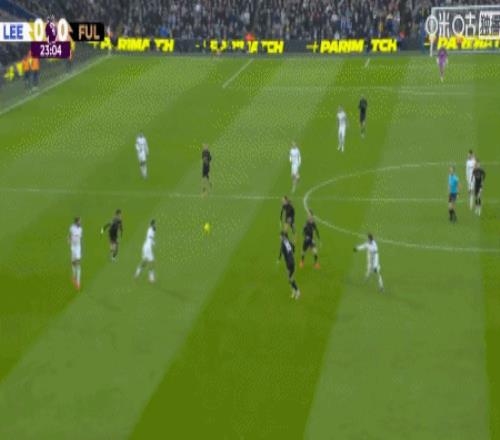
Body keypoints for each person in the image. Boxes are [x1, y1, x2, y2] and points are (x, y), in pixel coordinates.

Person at [278, 231, 300, 299]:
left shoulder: (284, 244)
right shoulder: (287, 242)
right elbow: (293, 248)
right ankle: (293, 291)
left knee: (291, 279)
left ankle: (298, 291)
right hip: (289, 262)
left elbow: (282, 251)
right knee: (289, 278)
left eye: (280, 236)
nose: (279, 237)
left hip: (290, 263)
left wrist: (279, 259)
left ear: (283, 237)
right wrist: (279, 259)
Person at [68, 216, 82, 291]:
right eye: (79, 221)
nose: (80, 222)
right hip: (73, 247)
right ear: (76, 222)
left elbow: (79, 237)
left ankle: (78, 282)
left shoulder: (81, 229)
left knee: (78, 263)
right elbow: (70, 235)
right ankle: (73, 276)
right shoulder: (72, 228)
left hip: (78, 247)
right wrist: (69, 239)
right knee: (73, 262)